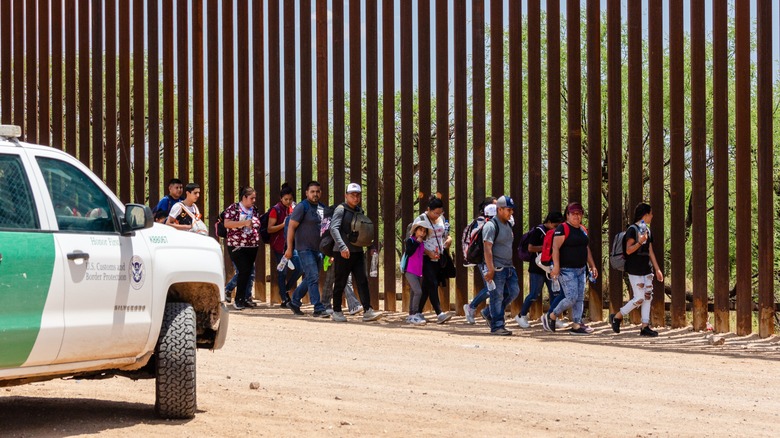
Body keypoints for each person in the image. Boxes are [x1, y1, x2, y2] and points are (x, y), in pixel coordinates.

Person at [328, 183, 383, 322]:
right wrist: (342, 247)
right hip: (342, 253)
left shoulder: (360, 211)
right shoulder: (341, 210)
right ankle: (337, 311)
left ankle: (367, 310)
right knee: (340, 282)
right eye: (352, 194)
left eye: (357, 194)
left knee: (362, 280)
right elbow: (333, 228)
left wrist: (371, 247)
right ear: (346, 195)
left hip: (357, 252)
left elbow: (364, 233)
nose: (355, 197)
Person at [541, 202, 598, 335]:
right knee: (571, 297)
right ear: (567, 215)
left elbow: (586, 248)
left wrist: (592, 265)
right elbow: (555, 248)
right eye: (573, 213)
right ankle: (551, 315)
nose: (576, 216)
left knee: (579, 298)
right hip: (566, 270)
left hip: (581, 269)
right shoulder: (563, 228)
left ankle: (577, 324)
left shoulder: (583, 230)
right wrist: (556, 266)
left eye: (579, 213)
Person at [609, 203, 663, 337]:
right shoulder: (632, 230)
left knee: (647, 297)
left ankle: (645, 326)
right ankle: (617, 316)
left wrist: (657, 269)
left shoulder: (648, 230)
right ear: (645, 214)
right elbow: (628, 250)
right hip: (634, 268)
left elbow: (650, 250)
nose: (652, 216)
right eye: (650, 213)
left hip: (646, 268)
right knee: (639, 297)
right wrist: (639, 242)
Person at [515, 211, 565, 329]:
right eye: (555, 225)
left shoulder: (556, 232)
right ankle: (521, 315)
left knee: (554, 292)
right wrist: (548, 247)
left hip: (550, 267)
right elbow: (531, 248)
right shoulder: (539, 231)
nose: (557, 227)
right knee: (534, 293)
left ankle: (552, 317)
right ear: (548, 222)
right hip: (537, 267)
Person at [285, 181, 328, 317]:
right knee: (313, 276)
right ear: (307, 193)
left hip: (318, 249)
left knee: (311, 277)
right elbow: (291, 227)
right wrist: (290, 248)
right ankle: (318, 307)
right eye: (312, 191)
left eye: (318, 191)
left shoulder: (322, 208)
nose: (315, 194)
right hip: (304, 248)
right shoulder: (302, 207)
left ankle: (295, 301)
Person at [482, 196, 521, 336]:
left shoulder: (508, 224)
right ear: (499, 209)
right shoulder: (491, 226)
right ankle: (497, 325)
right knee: (496, 296)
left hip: (508, 266)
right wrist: (490, 268)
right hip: (497, 267)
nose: (511, 212)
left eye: (512, 210)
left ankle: (489, 312)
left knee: (514, 291)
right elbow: (487, 248)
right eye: (508, 209)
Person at [414, 196, 453, 324]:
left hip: (438, 255)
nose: (437, 215)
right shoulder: (421, 220)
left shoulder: (441, 219)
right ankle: (439, 312)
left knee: (427, 286)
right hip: (424, 256)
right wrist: (427, 252)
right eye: (435, 213)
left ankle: (417, 312)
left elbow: (444, 234)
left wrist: (448, 240)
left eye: (439, 213)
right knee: (433, 282)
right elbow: (414, 240)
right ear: (428, 209)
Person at [222, 186, 262, 310]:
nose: (254, 200)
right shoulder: (233, 208)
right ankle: (238, 299)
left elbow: (257, 222)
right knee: (243, 270)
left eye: (255, 198)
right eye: (251, 198)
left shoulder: (254, 209)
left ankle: (246, 298)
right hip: (236, 245)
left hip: (252, 244)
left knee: (250, 272)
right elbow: (227, 223)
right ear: (244, 197)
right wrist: (243, 223)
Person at [267, 183, 301, 307]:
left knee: (299, 268)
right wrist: (285, 224)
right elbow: (269, 229)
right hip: (280, 245)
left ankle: (285, 289)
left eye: (290, 199)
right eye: (285, 199)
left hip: (293, 243)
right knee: (283, 271)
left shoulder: (294, 208)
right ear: (281, 198)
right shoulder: (275, 210)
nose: (288, 201)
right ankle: (284, 298)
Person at [463, 201, 497, 324]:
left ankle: (486, 311)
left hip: (492, 259)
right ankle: (473, 308)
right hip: (483, 259)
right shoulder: (482, 222)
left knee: (494, 288)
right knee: (491, 288)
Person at [404, 218, 434, 325]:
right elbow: (409, 252)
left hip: (418, 271)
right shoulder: (410, 241)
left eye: (424, 231)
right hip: (410, 270)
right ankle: (415, 313)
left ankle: (411, 314)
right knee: (418, 292)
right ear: (415, 231)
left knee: (414, 292)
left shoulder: (422, 244)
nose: (422, 232)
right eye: (420, 230)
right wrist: (417, 242)